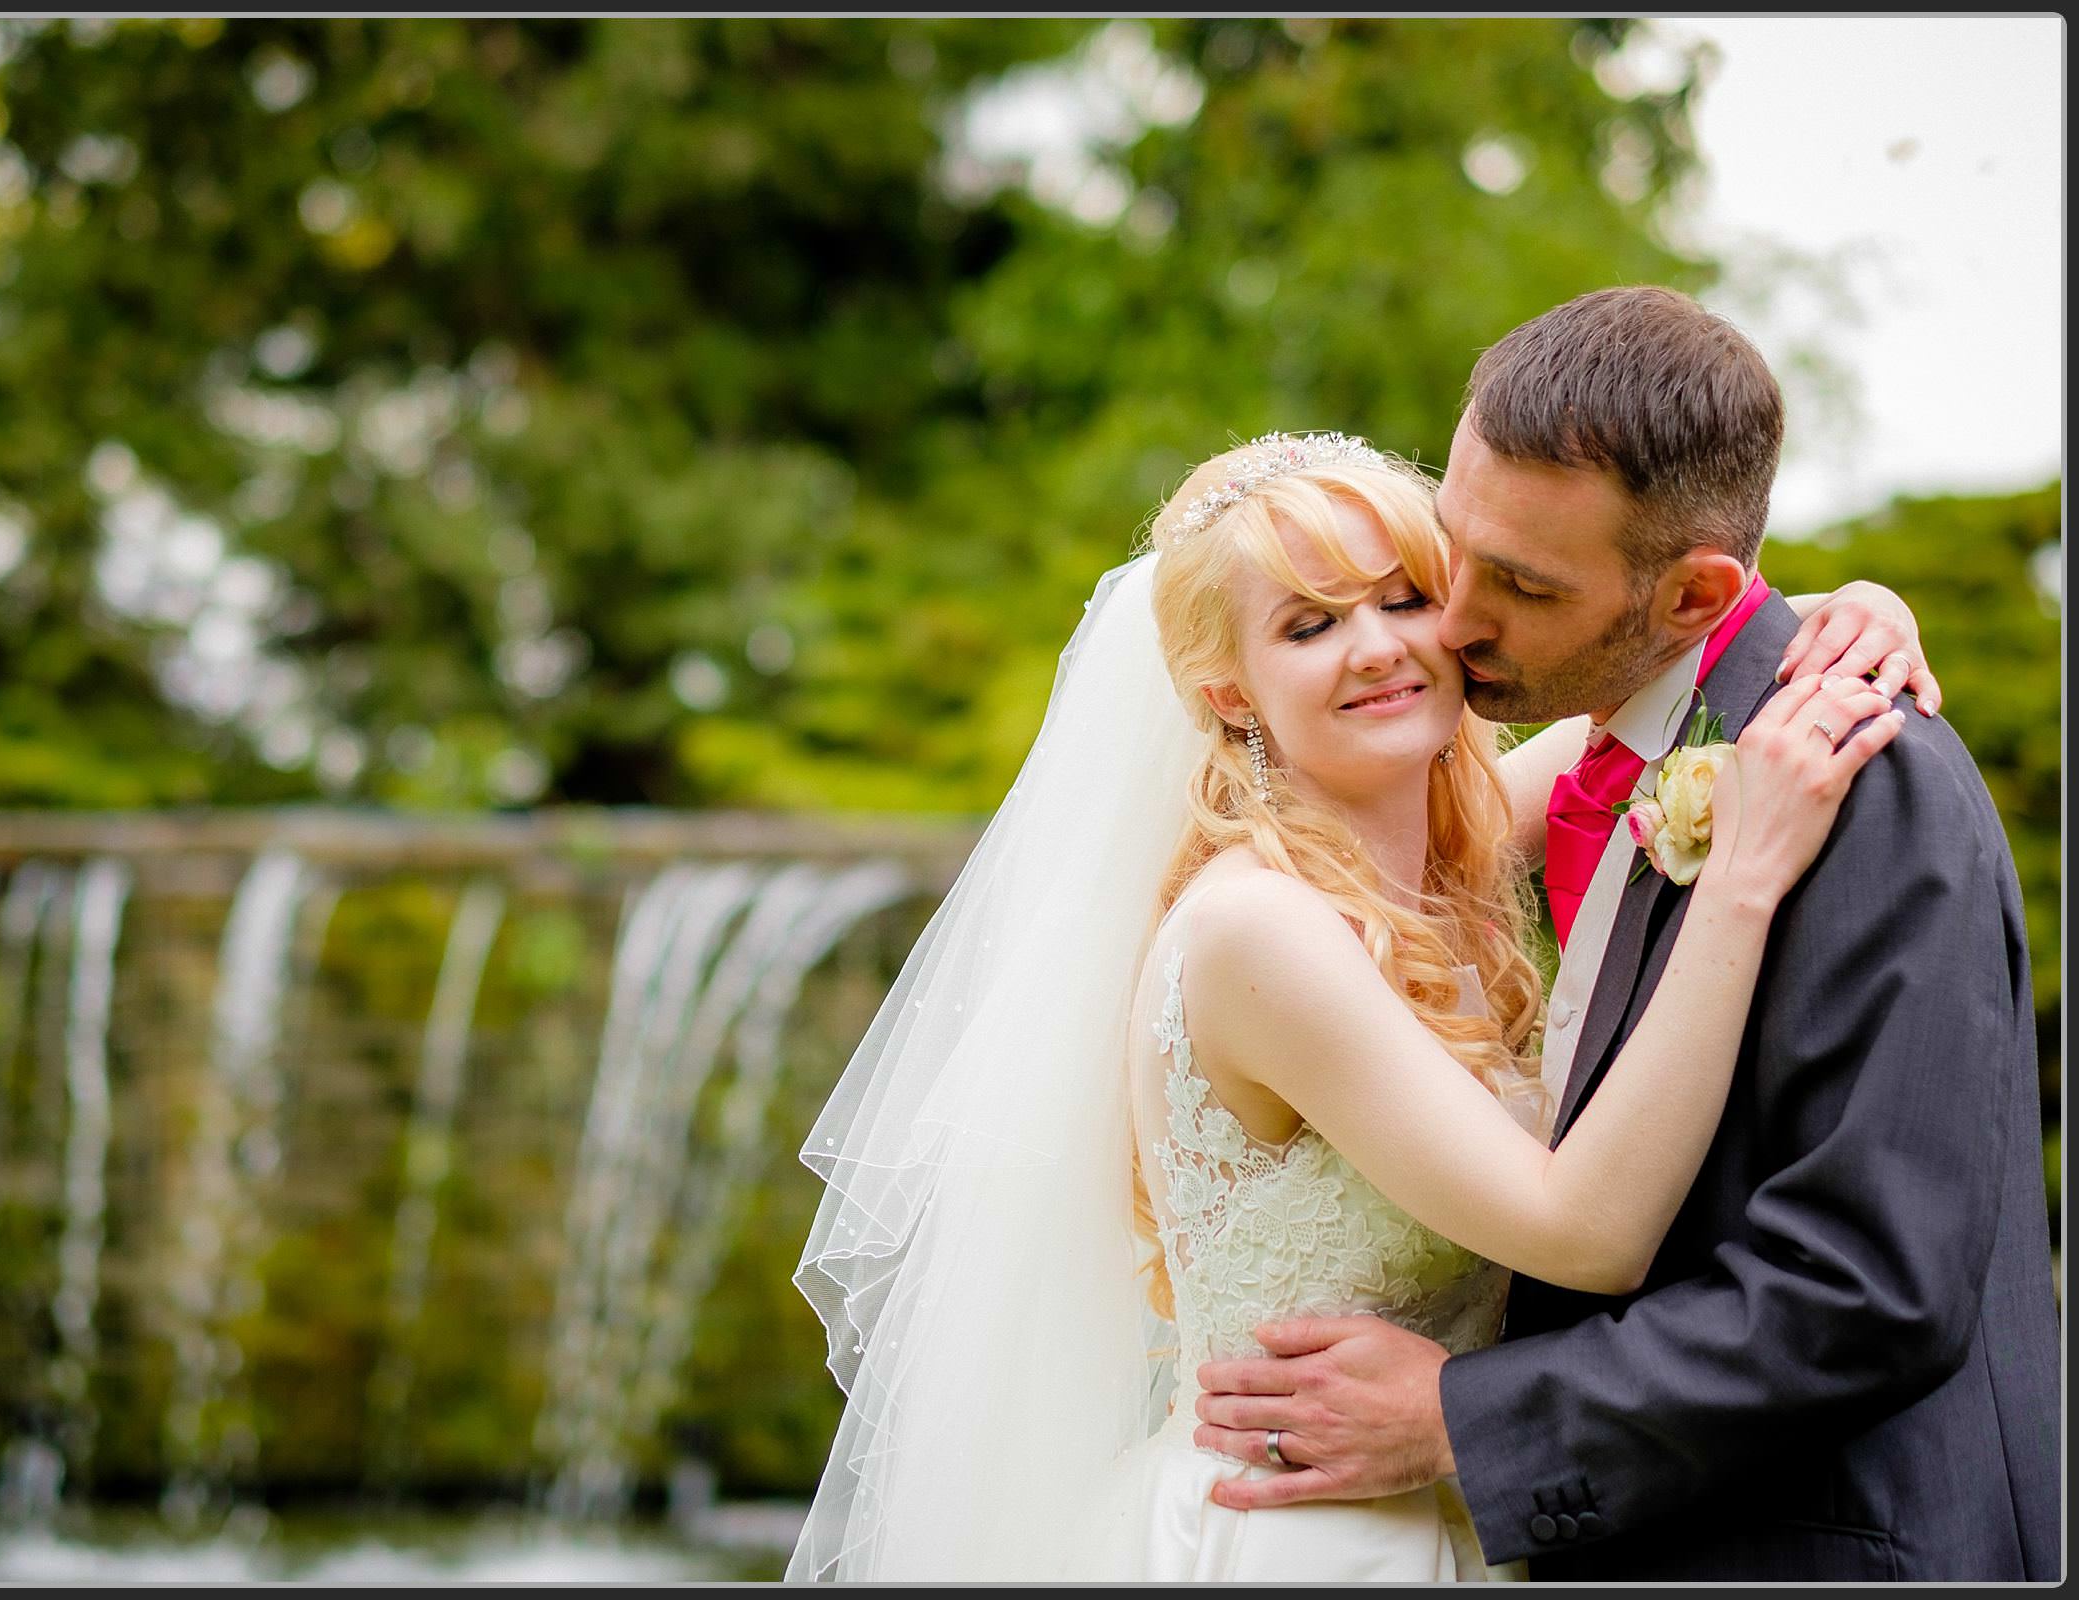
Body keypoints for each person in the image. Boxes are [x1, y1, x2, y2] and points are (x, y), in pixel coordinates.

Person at [785, 420, 1914, 1581]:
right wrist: (1739, 882)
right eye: (1311, 624)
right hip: (1299, 1541)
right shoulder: (1259, 932)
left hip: (1454, 1517)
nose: (1377, 647)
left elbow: (1670, 688)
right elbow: (1588, 1232)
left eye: (1403, 598)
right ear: (1230, 692)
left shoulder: (1450, 853)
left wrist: (1853, 614)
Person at [1188, 289, 2060, 1582]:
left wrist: (1460, 1419)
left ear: (1695, 593)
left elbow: (1870, 1282)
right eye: (1454, 550)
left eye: (1521, 584)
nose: (1452, 621)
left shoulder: (1857, 779)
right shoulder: (1537, 779)